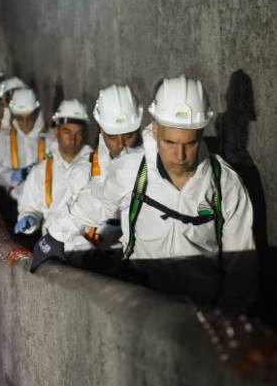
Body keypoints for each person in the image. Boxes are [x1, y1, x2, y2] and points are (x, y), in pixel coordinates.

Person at [33, 75, 257, 313]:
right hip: (140, 308)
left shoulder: (225, 184)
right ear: (156, 128)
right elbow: (95, 202)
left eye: (190, 144)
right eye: (170, 142)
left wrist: (228, 319)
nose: (179, 156)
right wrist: (55, 237)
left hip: (199, 313)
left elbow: (241, 267)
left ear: (202, 132)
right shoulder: (133, 169)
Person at [47, 84, 145, 254]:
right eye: (113, 136)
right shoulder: (83, 173)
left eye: (129, 135)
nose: (121, 145)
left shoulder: (154, 166)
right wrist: (88, 255)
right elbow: (58, 226)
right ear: (101, 129)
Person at [14, 100, 93, 243]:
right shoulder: (41, 171)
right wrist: (29, 217)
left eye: (78, 133)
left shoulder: (96, 165)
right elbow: (30, 206)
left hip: (91, 244)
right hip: (53, 247)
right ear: (56, 131)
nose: (72, 138)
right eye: (67, 132)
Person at [0, 88, 54, 201]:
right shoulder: (3, 138)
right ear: (14, 115)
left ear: (36, 113)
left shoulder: (50, 138)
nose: (25, 123)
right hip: (12, 205)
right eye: (20, 118)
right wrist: (9, 176)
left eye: (29, 118)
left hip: (44, 206)